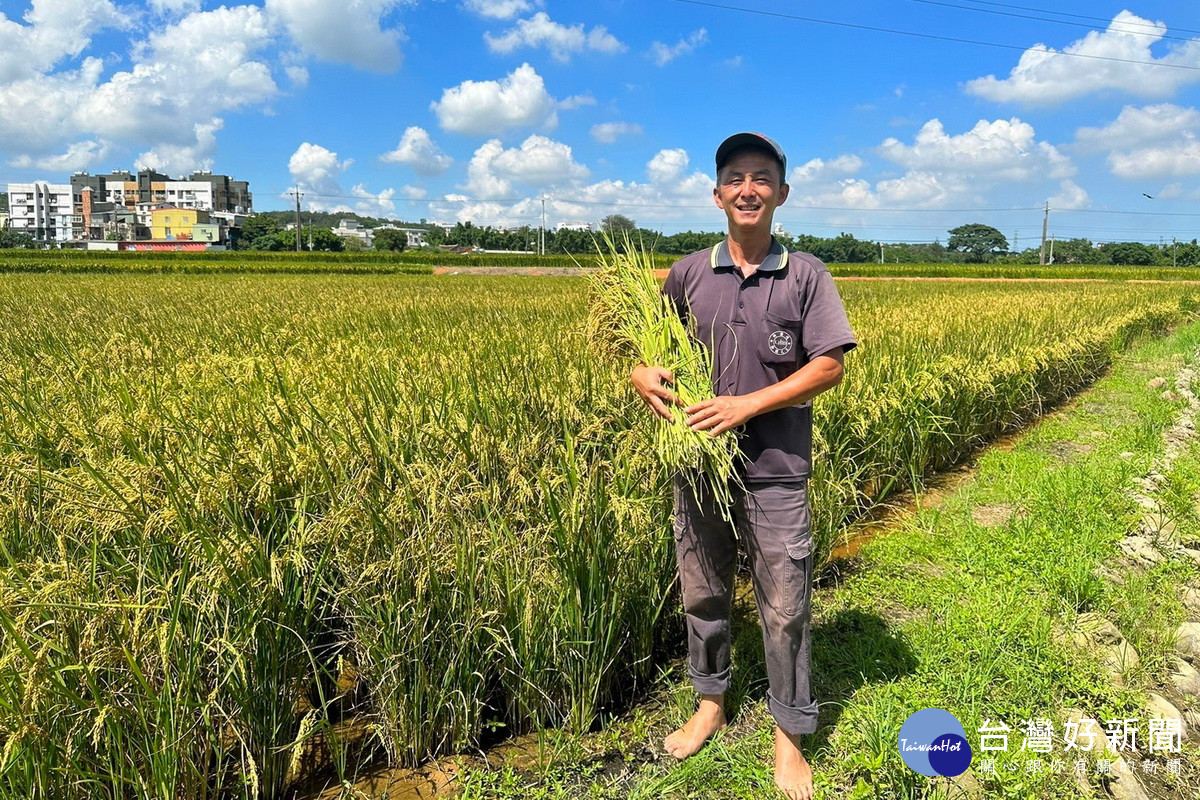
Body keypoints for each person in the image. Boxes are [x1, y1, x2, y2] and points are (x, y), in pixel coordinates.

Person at [630, 132, 857, 800]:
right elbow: (642, 341)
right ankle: (711, 703)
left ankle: (790, 736)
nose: (748, 188)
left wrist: (747, 405)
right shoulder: (688, 273)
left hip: (778, 466)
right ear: (717, 193)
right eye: (735, 178)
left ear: (781, 194)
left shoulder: (807, 273)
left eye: (762, 178)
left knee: (784, 603)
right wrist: (637, 371)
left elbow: (831, 364)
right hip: (700, 466)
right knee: (702, 590)